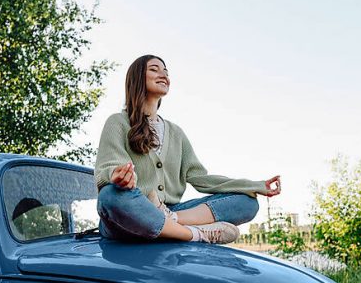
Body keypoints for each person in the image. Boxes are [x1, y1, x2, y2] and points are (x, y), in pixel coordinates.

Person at [95, 55, 281, 244]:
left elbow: (201, 179)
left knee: (247, 202)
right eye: (154, 69)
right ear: (136, 78)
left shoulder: (176, 133)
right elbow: (108, 166)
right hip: (133, 212)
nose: (164, 75)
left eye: (166, 71)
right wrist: (117, 175)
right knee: (110, 196)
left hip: (171, 212)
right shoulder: (117, 123)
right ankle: (196, 234)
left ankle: (172, 223)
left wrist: (254, 186)